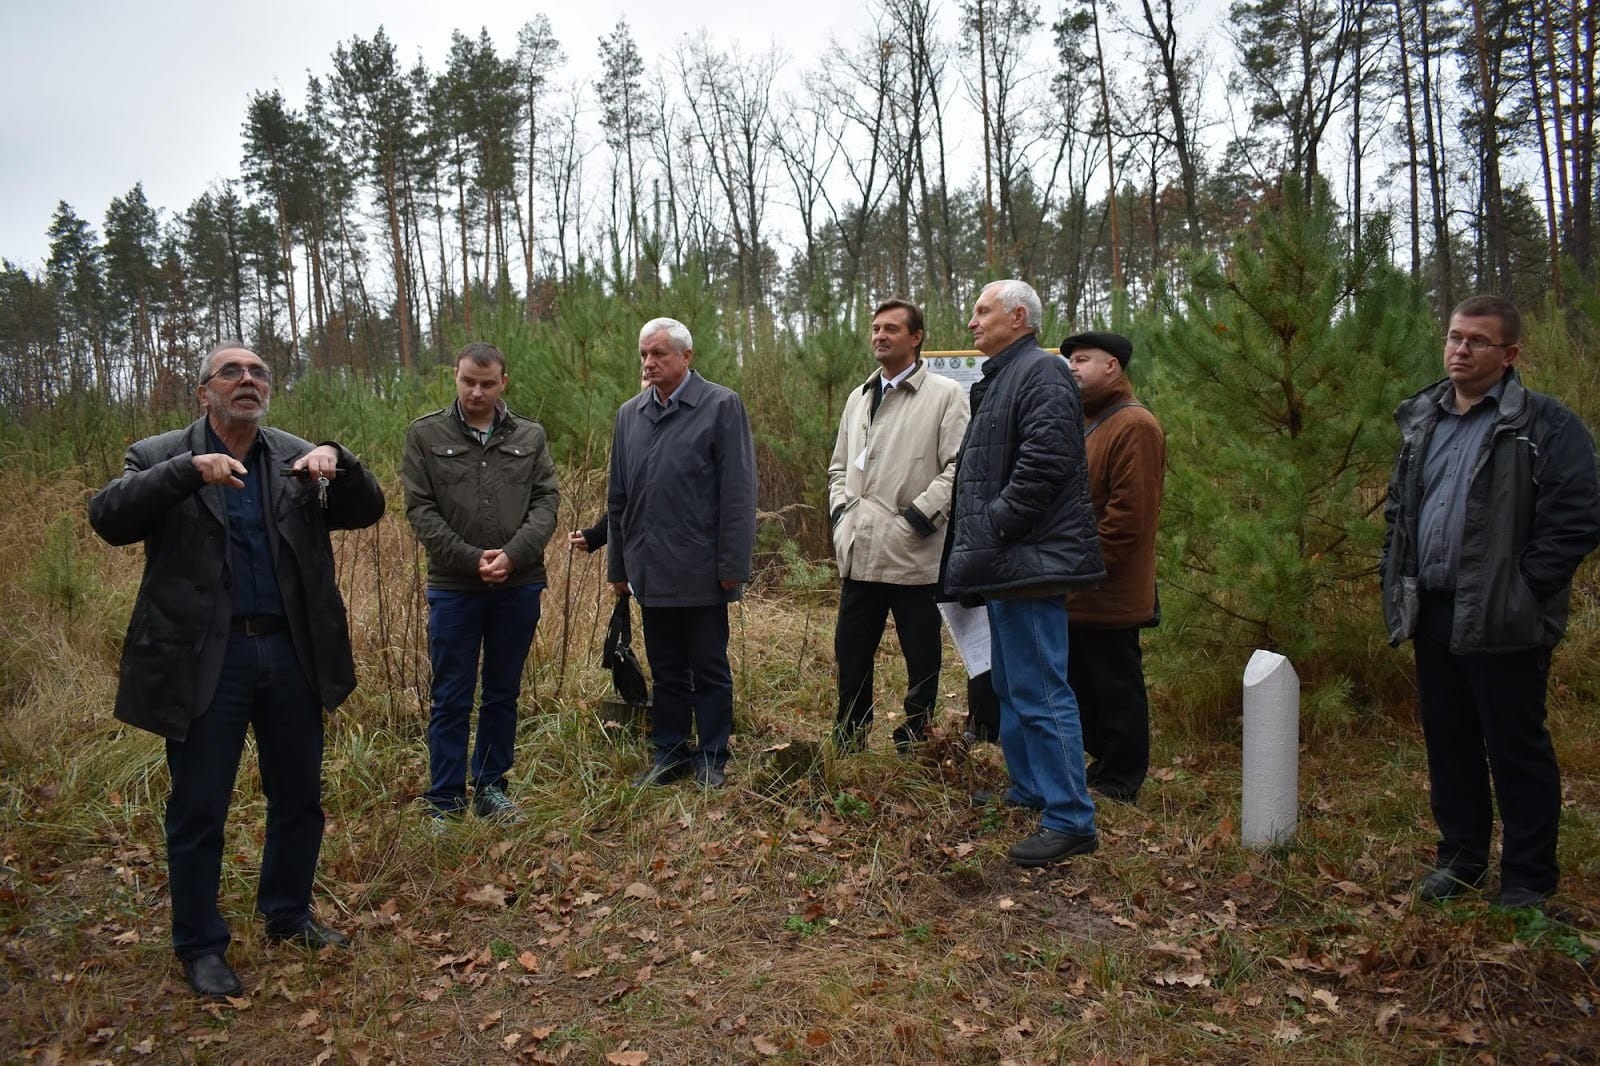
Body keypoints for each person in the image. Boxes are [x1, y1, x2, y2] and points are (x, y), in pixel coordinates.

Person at [87, 342, 385, 998]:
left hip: (289, 652)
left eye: (258, 373)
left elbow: (367, 511)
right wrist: (188, 472)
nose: (248, 380)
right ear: (204, 392)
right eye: (232, 372)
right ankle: (200, 944)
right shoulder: (160, 455)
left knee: (298, 796)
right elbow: (108, 518)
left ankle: (287, 913)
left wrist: (340, 461)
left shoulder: (294, 456)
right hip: (205, 659)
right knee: (199, 806)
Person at [1382, 295, 1600, 908]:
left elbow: (1579, 515)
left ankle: (1528, 878)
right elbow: (1402, 508)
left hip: (1505, 614)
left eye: (1477, 341)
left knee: (1515, 747)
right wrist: (1396, 571)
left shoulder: (1545, 424)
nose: (1461, 349)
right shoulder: (1424, 420)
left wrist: (1526, 587)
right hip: (1434, 607)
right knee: (1449, 742)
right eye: (1455, 337)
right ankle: (1461, 860)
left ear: (1509, 354)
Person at [944, 280, 1106, 867]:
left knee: (1041, 689)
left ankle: (1071, 819)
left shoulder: (1042, 372)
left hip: (1029, 563)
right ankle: (1031, 788)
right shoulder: (1004, 376)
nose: (972, 322)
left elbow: (1046, 463)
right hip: (1007, 562)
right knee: (1012, 685)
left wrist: (995, 523)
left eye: (982, 311)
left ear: (1018, 317)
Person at [403, 342, 560, 824]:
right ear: (456, 376)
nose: (476, 392)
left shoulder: (530, 436)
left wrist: (513, 555)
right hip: (455, 588)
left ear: (503, 383)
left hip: (518, 584)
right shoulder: (425, 434)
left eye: (487, 384)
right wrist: (472, 560)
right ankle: (445, 801)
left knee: (501, 693)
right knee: (450, 695)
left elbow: (546, 502)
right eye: (468, 381)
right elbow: (420, 509)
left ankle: (491, 788)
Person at [607, 317, 757, 789]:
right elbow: (618, 499)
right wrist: (619, 567)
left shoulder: (720, 406)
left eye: (659, 353)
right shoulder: (629, 415)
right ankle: (670, 753)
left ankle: (712, 756)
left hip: (702, 568)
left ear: (686, 357)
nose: (648, 363)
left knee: (708, 667)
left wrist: (732, 565)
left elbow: (738, 493)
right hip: (649, 569)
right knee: (666, 669)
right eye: (644, 354)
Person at [828, 298, 969, 753]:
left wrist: (919, 518)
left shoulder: (945, 395)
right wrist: (841, 514)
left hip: (913, 550)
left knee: (921, 654)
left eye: (891, 328)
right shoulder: (859, 396)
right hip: (859, 548)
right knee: (851, 650)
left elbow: (958, 467)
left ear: (916, 337)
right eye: (875, 328)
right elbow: (838, 467)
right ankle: (849, 735)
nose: (880, 336)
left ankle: (916, 737)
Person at [1062, 331, 1166, 803]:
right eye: (1069, 360)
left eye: (1083, 359)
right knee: (1087, 687)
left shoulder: (1134, 425)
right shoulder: (1088, 422)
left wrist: (1082, 572)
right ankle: (1103, 767)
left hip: (1109, 590)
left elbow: (1127, 519)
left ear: (1113, 367)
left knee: (1116, 687)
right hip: (1080, 588)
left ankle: (1122, 780)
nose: (1072, 367)